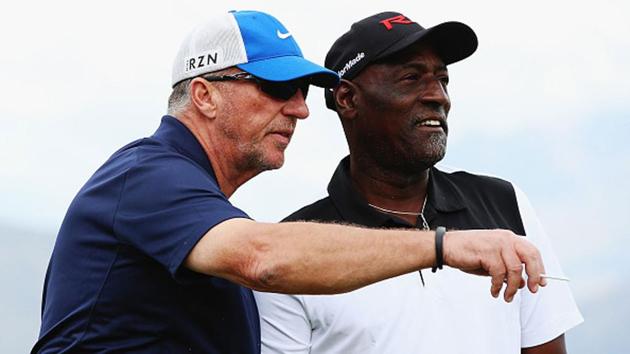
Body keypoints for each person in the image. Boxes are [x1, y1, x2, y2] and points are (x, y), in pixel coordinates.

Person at [32, 10, 549, 354]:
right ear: (205, 95)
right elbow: (262, 258)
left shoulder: (196, 204)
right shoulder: (144, 175)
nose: (300, 109)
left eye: (302, 90)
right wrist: (442, 245)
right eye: (278, 87)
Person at [254, 11, 583, 354]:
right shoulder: (292, 250)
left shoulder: (503, 203)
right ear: (348, 99)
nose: (438, 96)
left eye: (442, 79)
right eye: (411, 78)